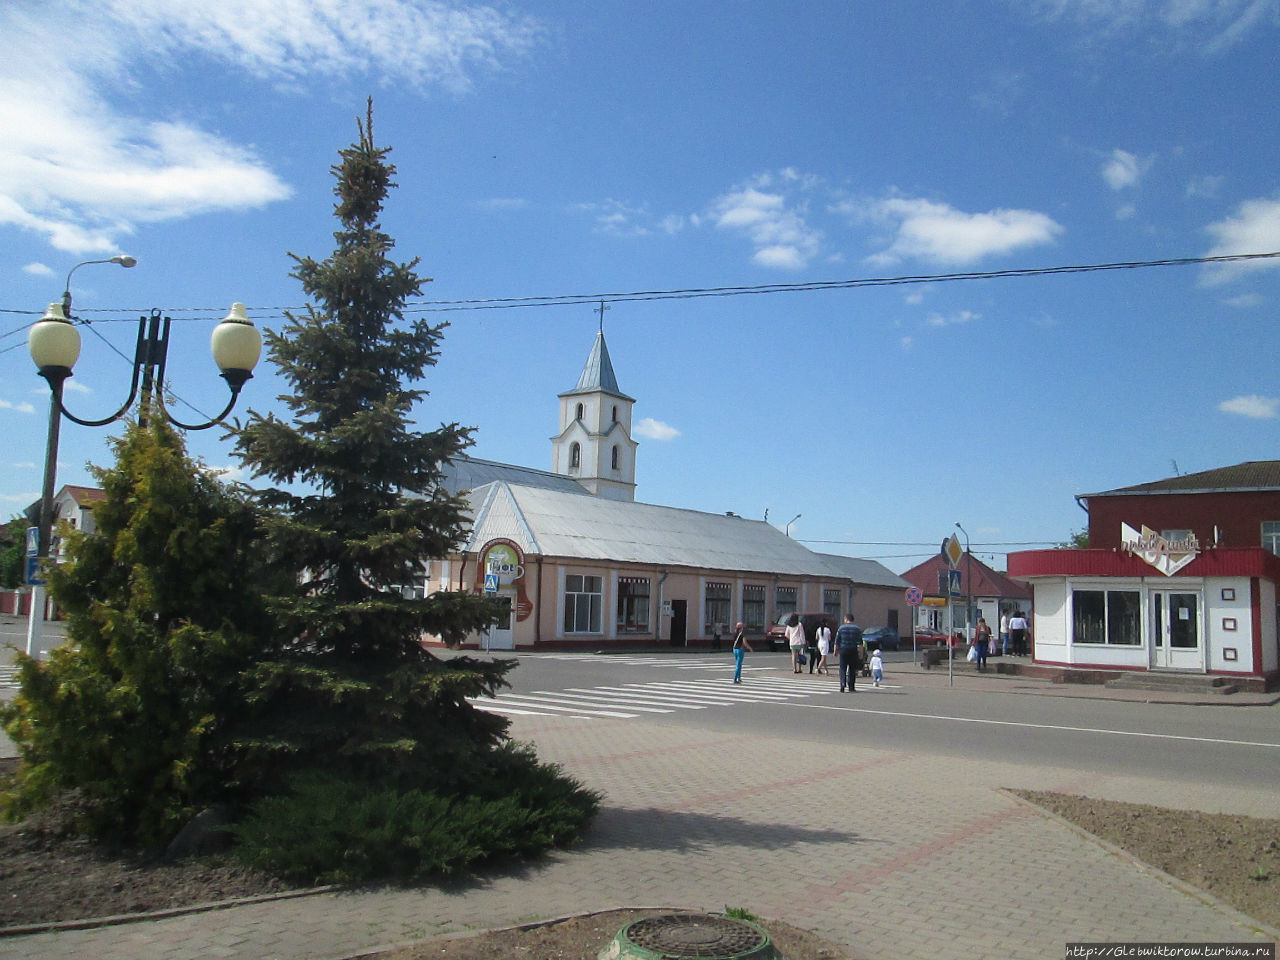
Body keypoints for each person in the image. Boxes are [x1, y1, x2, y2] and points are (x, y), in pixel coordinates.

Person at [835, 614, 863, 692]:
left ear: (846, 619)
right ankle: (851, 686)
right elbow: (860, 643)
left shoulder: (841, 628)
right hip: (853, 650)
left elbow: (837, 641)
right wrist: (861, 654)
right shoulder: (857, 629)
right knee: (852, 669)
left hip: (843, 649)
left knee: (842, 668)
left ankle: (842, 684)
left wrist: (835, 651)